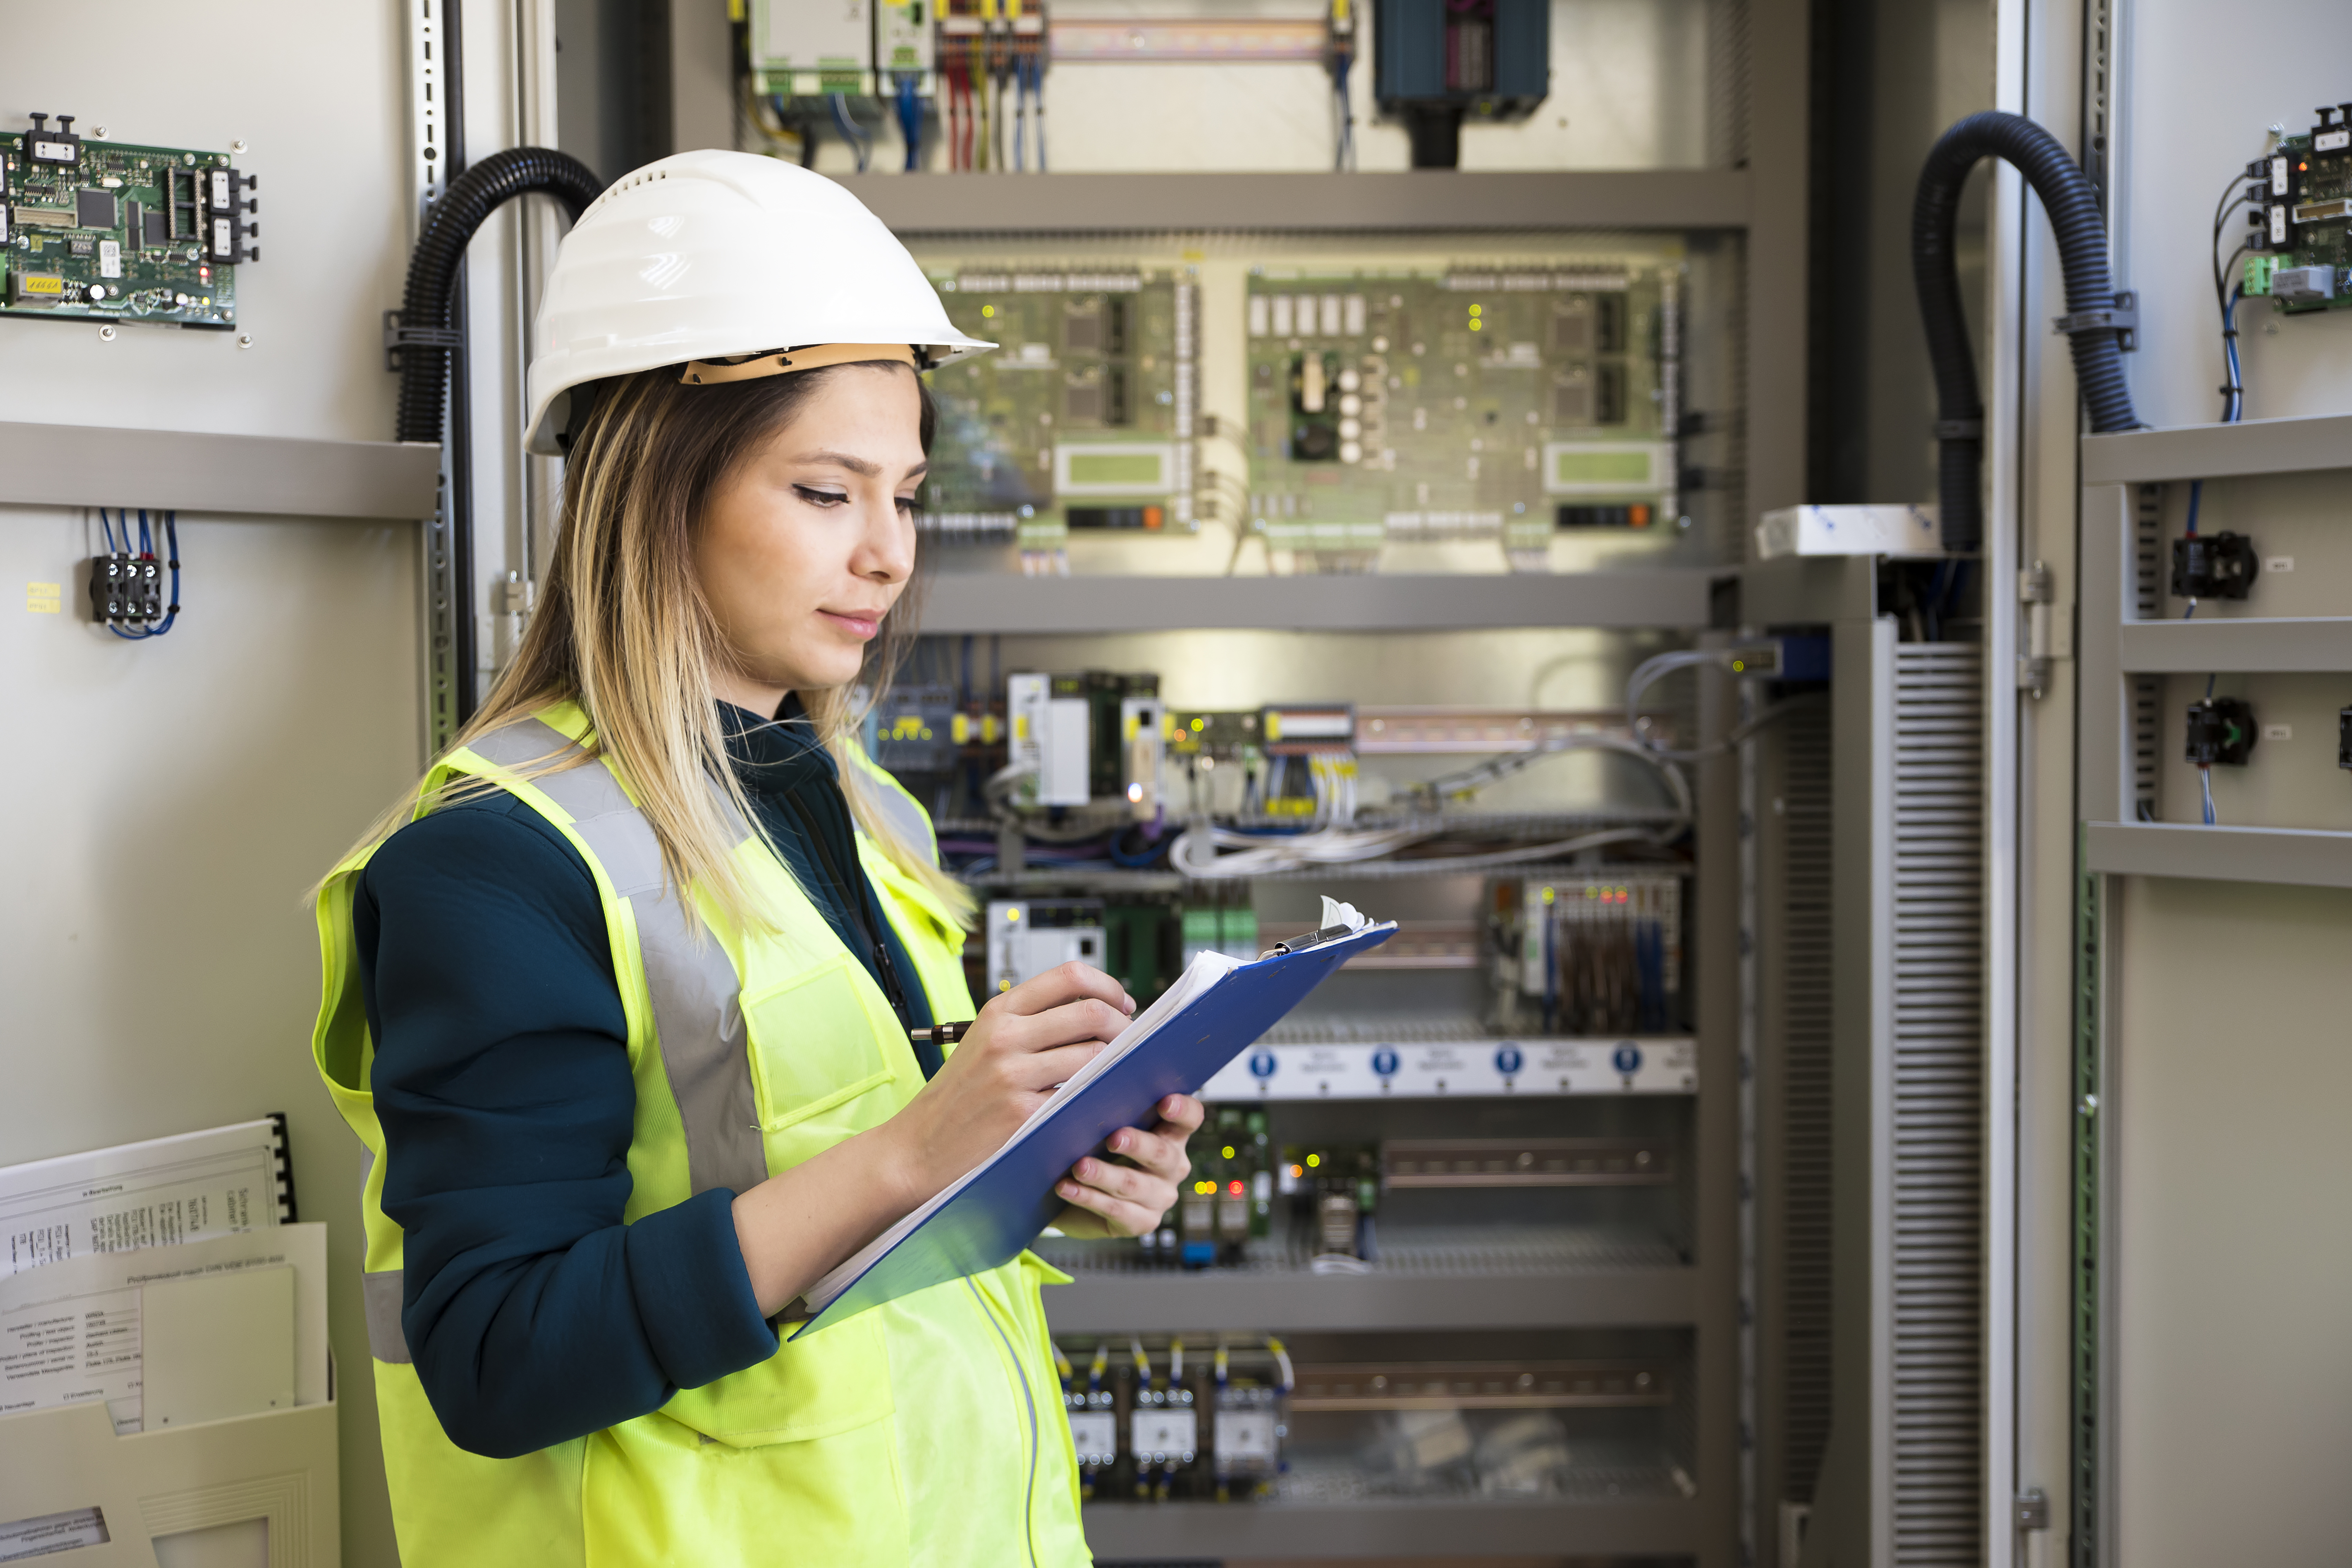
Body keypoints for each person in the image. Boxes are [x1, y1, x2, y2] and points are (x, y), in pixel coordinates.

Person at [309, 149, 1200, 1567]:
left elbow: (879, 1221)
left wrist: (1045, 1167)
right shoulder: (492, 864)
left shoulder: (848, 806)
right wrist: (917, 1151)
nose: (890, 554)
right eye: (826, 493)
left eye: (904, 496)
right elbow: (496, 1356)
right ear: (660, 490)